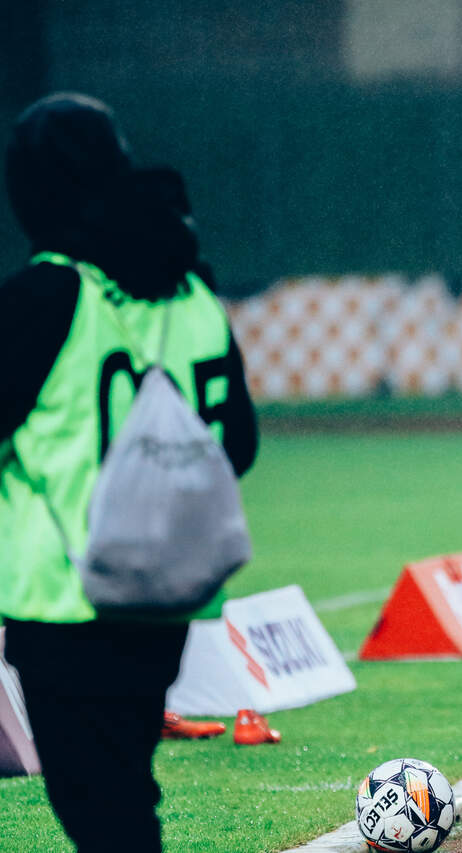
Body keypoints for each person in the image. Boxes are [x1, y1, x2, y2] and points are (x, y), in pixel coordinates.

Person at [0, 93, 258, 852]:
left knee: (101, 810)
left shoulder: (45, 295)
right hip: (167, 598)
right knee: (124, 791)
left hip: (66, 599)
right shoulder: (194, 292)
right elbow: (238, 443)